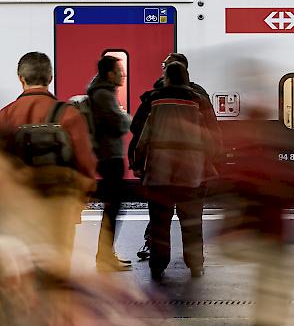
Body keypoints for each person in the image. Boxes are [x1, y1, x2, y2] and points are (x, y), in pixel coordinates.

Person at [0, 52, 96, 274]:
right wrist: (79, 203)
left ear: (20, 78)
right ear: (50, 77)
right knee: (58, 274)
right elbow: (86, 165)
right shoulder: (69, 114)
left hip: (18, 210)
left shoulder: (5, 116)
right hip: (60, 206)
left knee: (22, 275)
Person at [131, 61, 219, 280]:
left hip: (159, 173)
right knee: (191, 222)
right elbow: (213, 137)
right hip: (192, 174)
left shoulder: (155, 101)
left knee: (160, 222)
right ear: (186, 78)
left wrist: (138, 164)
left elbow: (142, 136)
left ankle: (158, 266)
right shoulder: (198, 101)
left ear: (166, 78)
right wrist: (209, 161)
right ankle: (196, 265)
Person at [88, 55, 132, 271]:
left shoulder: (102, 93)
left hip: (107, 156)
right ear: (109, 74)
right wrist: (125, 116)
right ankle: (104, 256)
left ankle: (106, 253)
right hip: (109, 156)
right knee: (113, 209)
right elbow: (120, 123)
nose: (122, 74)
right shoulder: (104, 95)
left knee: (113, 208)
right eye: (118, 70)